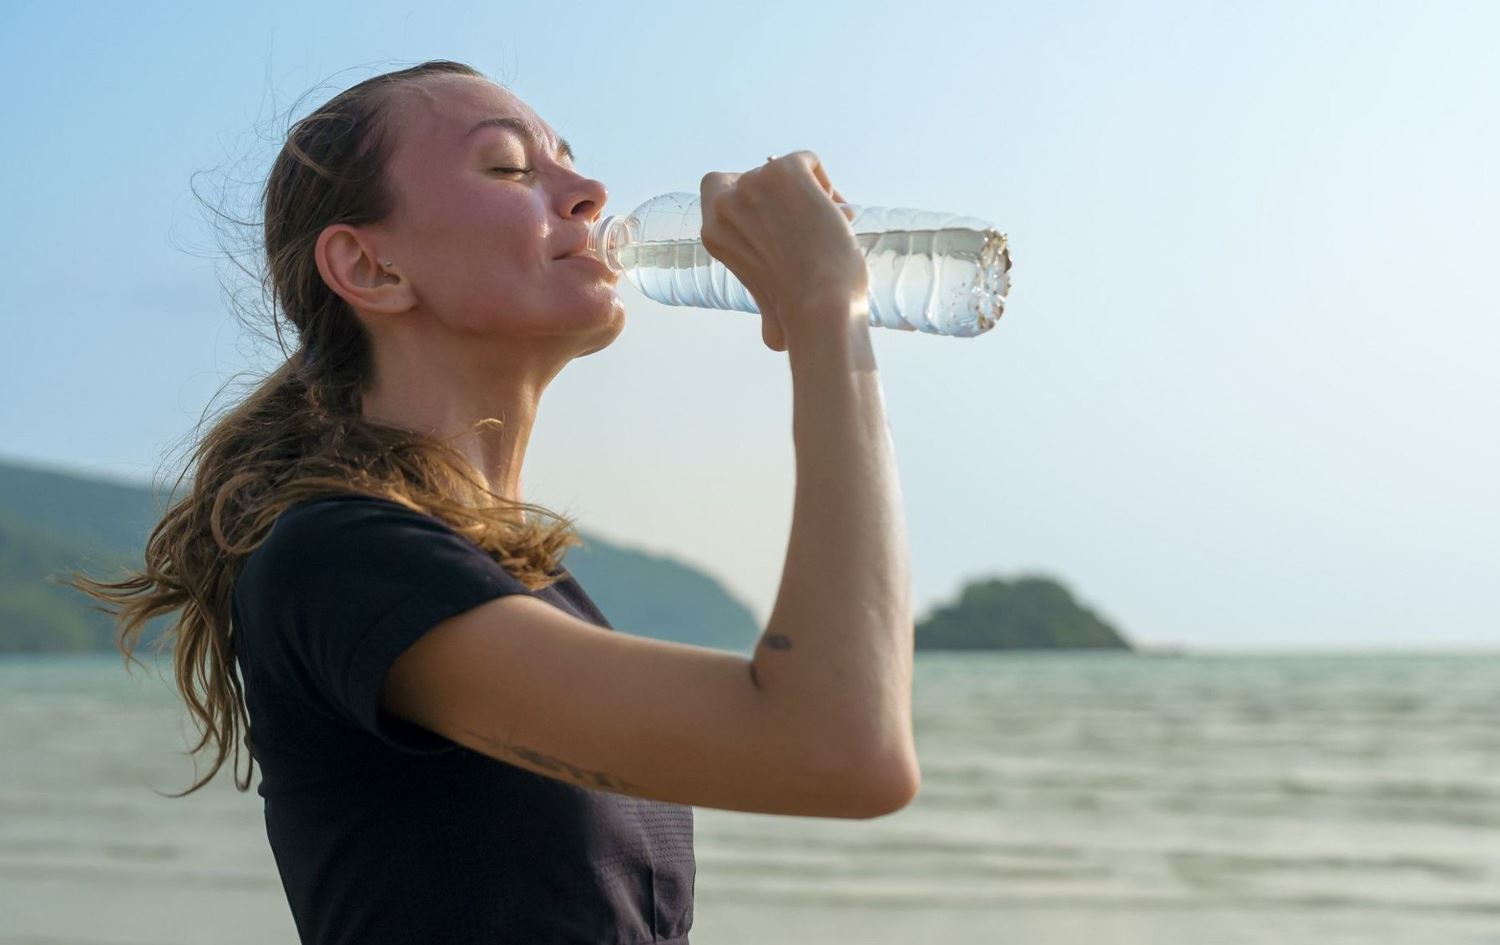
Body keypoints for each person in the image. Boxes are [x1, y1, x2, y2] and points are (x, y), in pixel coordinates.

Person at [72, 59, 918, 944]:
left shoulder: (515, 582)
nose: (590, 191)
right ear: (370, 266)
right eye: (512, 168)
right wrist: (828, 315)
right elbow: (839, 749)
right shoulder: (340, 556)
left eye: (570, 160)